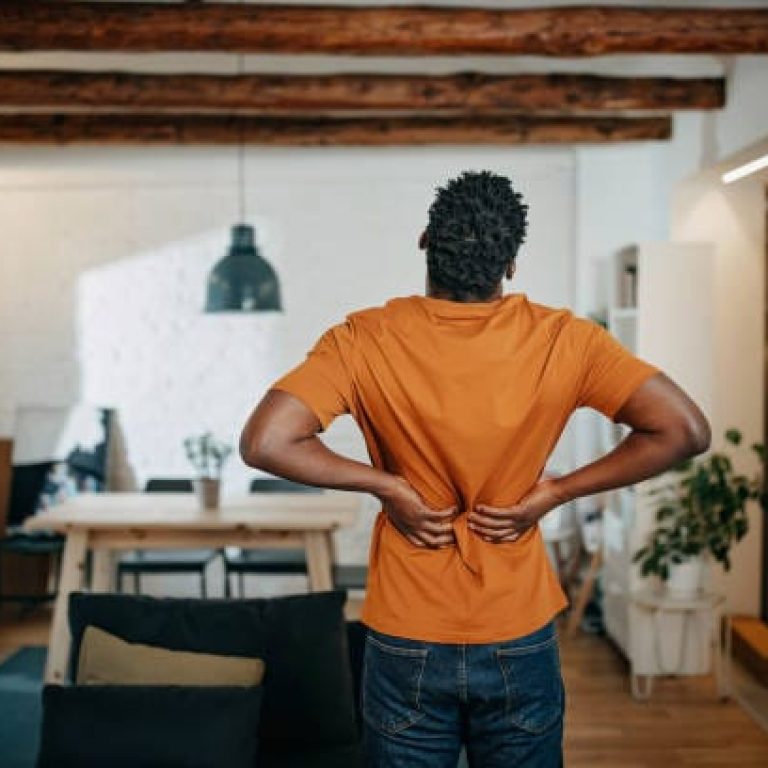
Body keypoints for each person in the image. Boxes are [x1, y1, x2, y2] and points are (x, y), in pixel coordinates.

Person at [239, 170, 711, 767]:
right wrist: (555, 492)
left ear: (424, 241)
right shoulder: (567, 340)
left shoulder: (363, 338)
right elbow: (686, 430)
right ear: (510, 266)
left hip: (407, 628)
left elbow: (265, 441)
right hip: (517, 626)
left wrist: (385, 486)